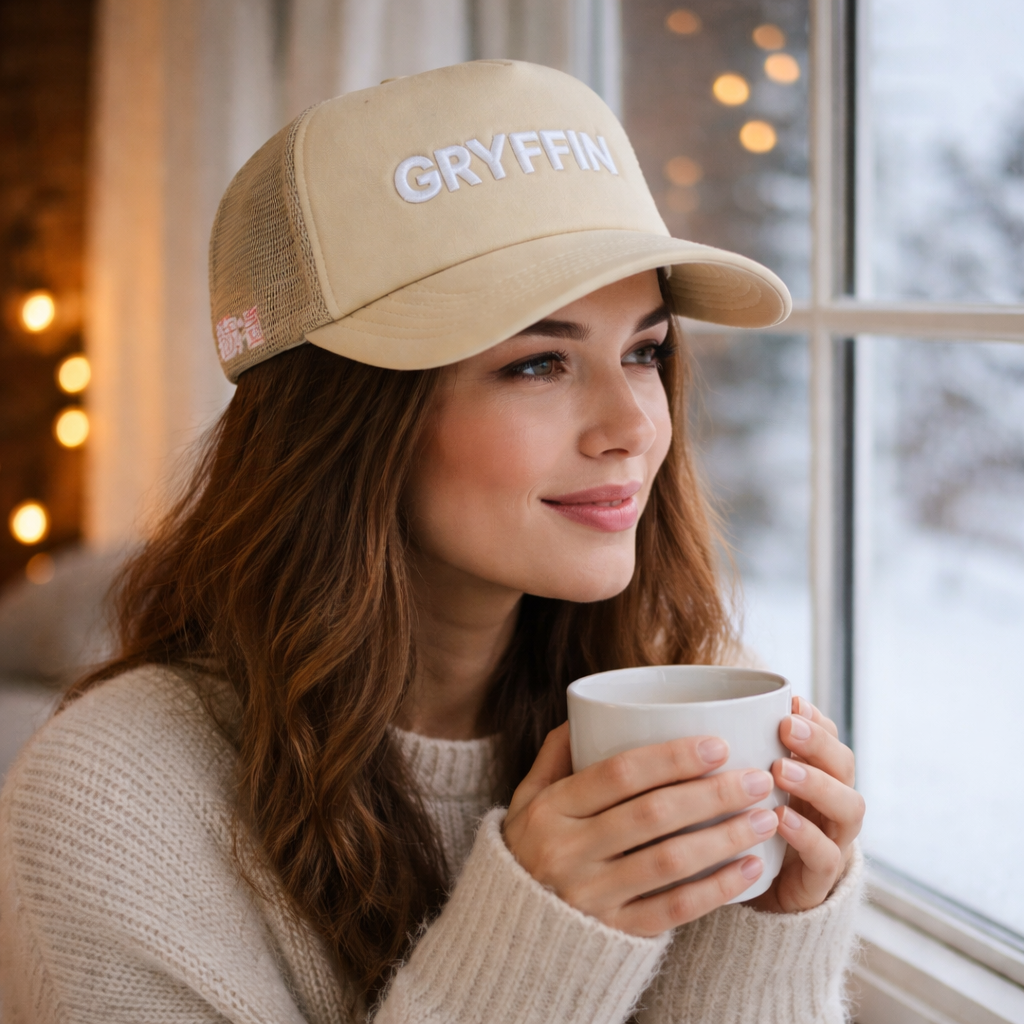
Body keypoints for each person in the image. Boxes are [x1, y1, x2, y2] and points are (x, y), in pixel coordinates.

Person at [0, 61, 864, 1024]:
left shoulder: (689, 693)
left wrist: (763, 930)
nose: (633, 424)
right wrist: (538, 946)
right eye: (539, 362)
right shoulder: (116, 802)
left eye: (645, 350)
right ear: (346, 422)